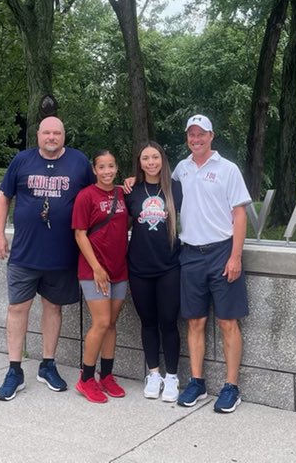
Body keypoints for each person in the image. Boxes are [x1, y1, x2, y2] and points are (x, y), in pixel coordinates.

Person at [0, 115, 94, 401]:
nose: (51, 137)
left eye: (56, 133)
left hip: (62, 254)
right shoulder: (22, 161)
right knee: (17, 308)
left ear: (64, 136)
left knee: (53, 308)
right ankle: (14, 370)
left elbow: (97, 193)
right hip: (24, 253)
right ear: (38, 135)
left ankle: (48, 365)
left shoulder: (79, 162)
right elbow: (4, 197)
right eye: (47, 132)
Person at [173, 113, 251, 413]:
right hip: (191, 253)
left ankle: (231, 387)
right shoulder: (182, 169)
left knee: (227, 322)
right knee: (195, 321)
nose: (196, 139)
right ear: (187, 138)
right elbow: (158, 187)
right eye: (191, 135)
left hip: (221, 252)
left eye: (201, 134)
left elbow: (239, 215)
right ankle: (197, 382)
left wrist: (235, 256)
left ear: (211, 136)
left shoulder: (228, 169)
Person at [71, 150, 129, 403]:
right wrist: (96, 267)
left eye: (111, 166)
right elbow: (80, 234)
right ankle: (86, 378)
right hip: (94, 269)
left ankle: (106, 375)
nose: (107, 171)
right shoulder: (86, 196)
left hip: (119, 268)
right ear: (94, 170)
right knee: (101, 322)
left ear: (117, 168)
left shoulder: (122, 194)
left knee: (112, 323)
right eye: (102, 167)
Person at [126, 142, 182, 402]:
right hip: (139, 267)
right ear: (139, 162)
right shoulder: (132, 191)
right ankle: (154, 374)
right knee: (148, 322)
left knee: (168, 322)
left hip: (169, 265)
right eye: (146, 158)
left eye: (155, 157)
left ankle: (172, 376)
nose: (151, 162)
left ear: (163, 159)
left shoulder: (175, 188)